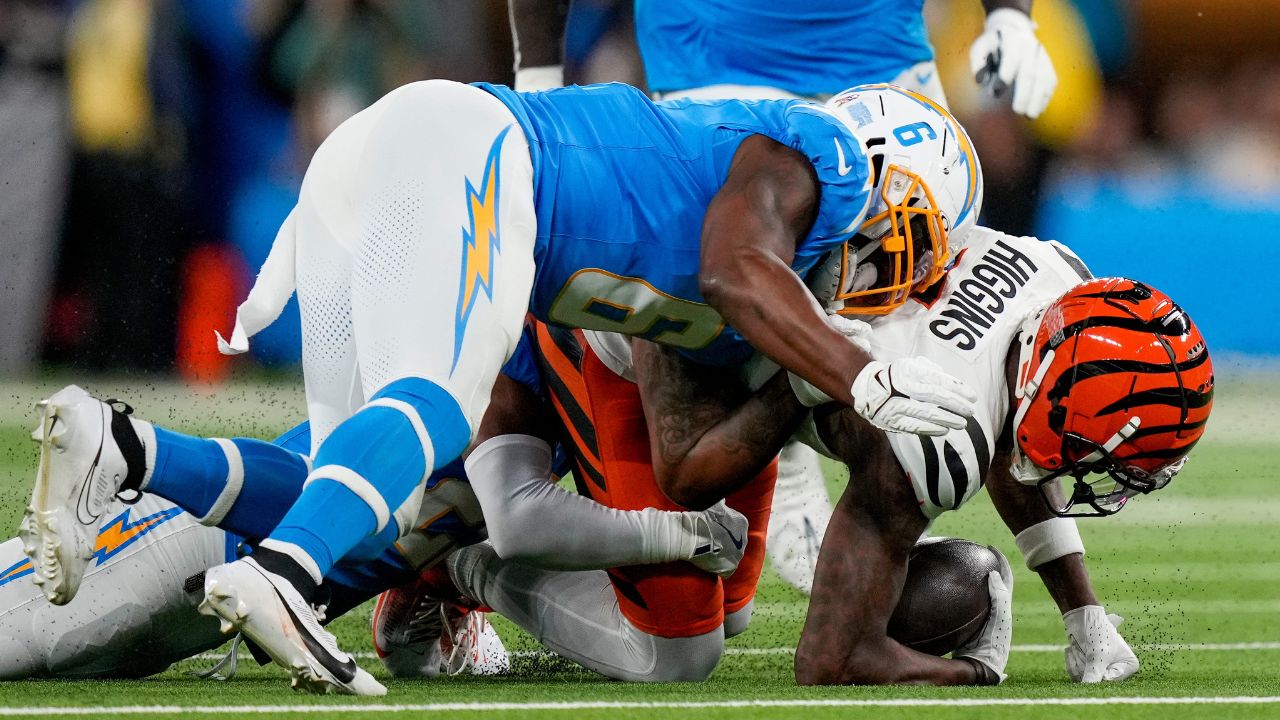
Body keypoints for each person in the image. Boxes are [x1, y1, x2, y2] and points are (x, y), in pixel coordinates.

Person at [20, 77, 982, 695]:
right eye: (909, 241)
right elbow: (736, 273)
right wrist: (865, 376)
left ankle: (126, 448)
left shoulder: (762, 243)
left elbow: (713, 358)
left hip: (426, 156)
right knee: (433, 407)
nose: (884, 269)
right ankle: (282, 578)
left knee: (365, 480)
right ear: (896, 181)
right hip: (480, 157)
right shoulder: (831, 161)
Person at [433, 229, 1211, 686]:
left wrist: (1082, 614)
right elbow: (831, 658)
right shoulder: (936, 436)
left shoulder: (1049, 277)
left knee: (730, 612)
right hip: (636, 335)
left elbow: (1016, 430)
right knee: (675, 654)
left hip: (735, 371)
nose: (1111, 478)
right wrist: (966, 674)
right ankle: (457, 568)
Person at [509, 0, 1059, 596]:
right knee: (744, 300)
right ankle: (786, 458)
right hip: (712, 54)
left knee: (917, 300)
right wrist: (537, 68)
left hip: (881, 64)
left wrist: (1010, 14)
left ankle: (884, 512)